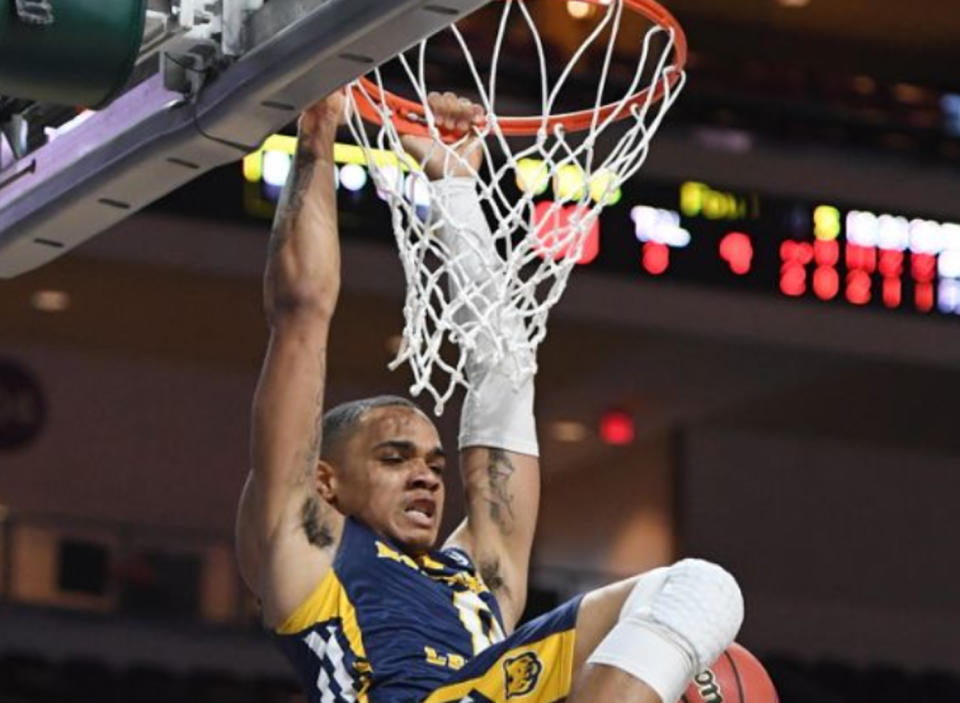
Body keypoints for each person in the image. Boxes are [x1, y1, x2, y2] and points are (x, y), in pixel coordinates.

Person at [235, 89, 744, 703]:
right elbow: (301, 315)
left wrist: (453, 189)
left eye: (432, 463)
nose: (425, 477)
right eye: (394, 459)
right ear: (325, 482)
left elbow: (504, 369)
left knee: (702, 587)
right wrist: (316, 133)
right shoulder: (310, 544)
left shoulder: (479, 576)